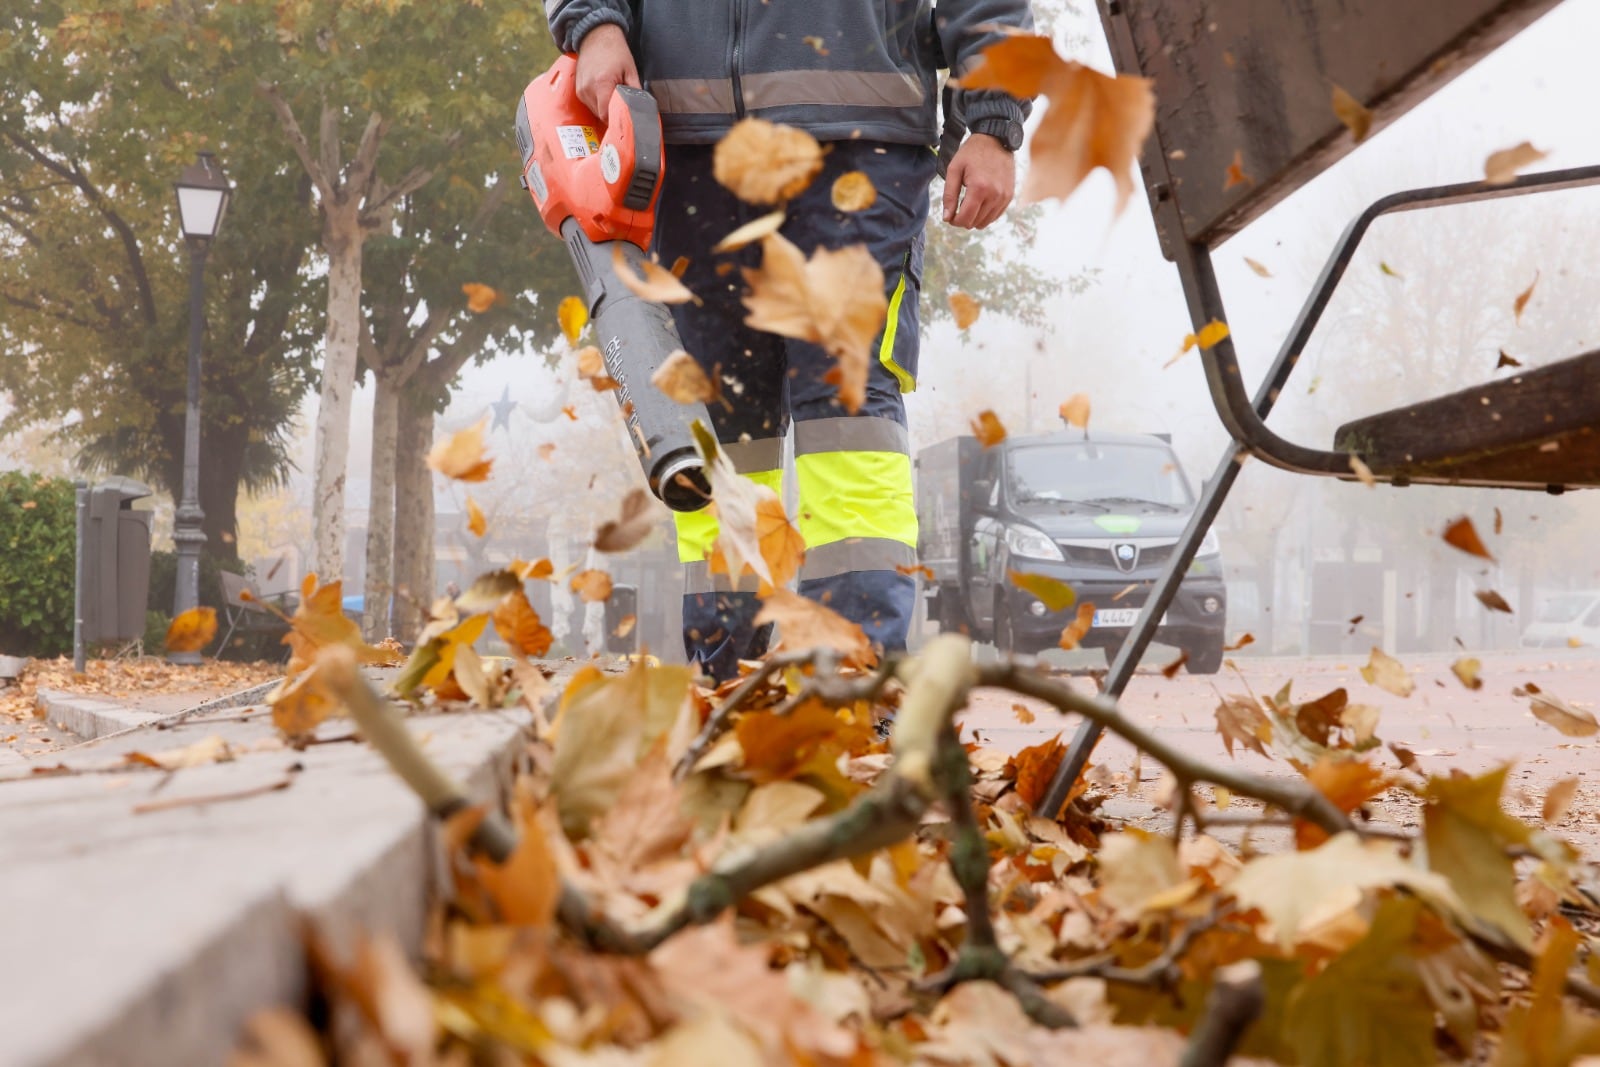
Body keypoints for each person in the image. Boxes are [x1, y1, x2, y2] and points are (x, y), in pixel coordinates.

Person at [548, 0, 1034, 681]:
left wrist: (993, 118)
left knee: (848, 416)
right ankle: (725, 683)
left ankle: (856, 685)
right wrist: (593, 24)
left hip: (859, 142)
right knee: (718, 436)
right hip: (685, 149)